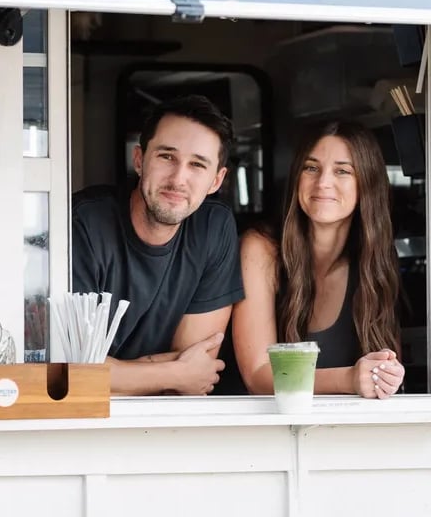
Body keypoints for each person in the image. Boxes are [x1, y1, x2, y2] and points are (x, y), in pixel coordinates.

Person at [72, 95, 244, 395]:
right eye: (167, 157)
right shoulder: (83, 223)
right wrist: (174, 374)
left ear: (216, 181)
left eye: (197, 165)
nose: (178, 179)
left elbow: (198, 367)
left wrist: (114, 373)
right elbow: (70, 374)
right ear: (139, 160)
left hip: (164, 423)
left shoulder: (213, 228)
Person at [233, 120, 405, 399]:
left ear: (368, 184)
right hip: (261, 432)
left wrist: (386, 376)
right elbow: (258, 376)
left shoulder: (377, 258)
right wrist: (350, 378)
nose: (323, 182)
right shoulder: (261, 249)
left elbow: (384, 363)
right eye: (311, 168)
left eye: (342, 171)